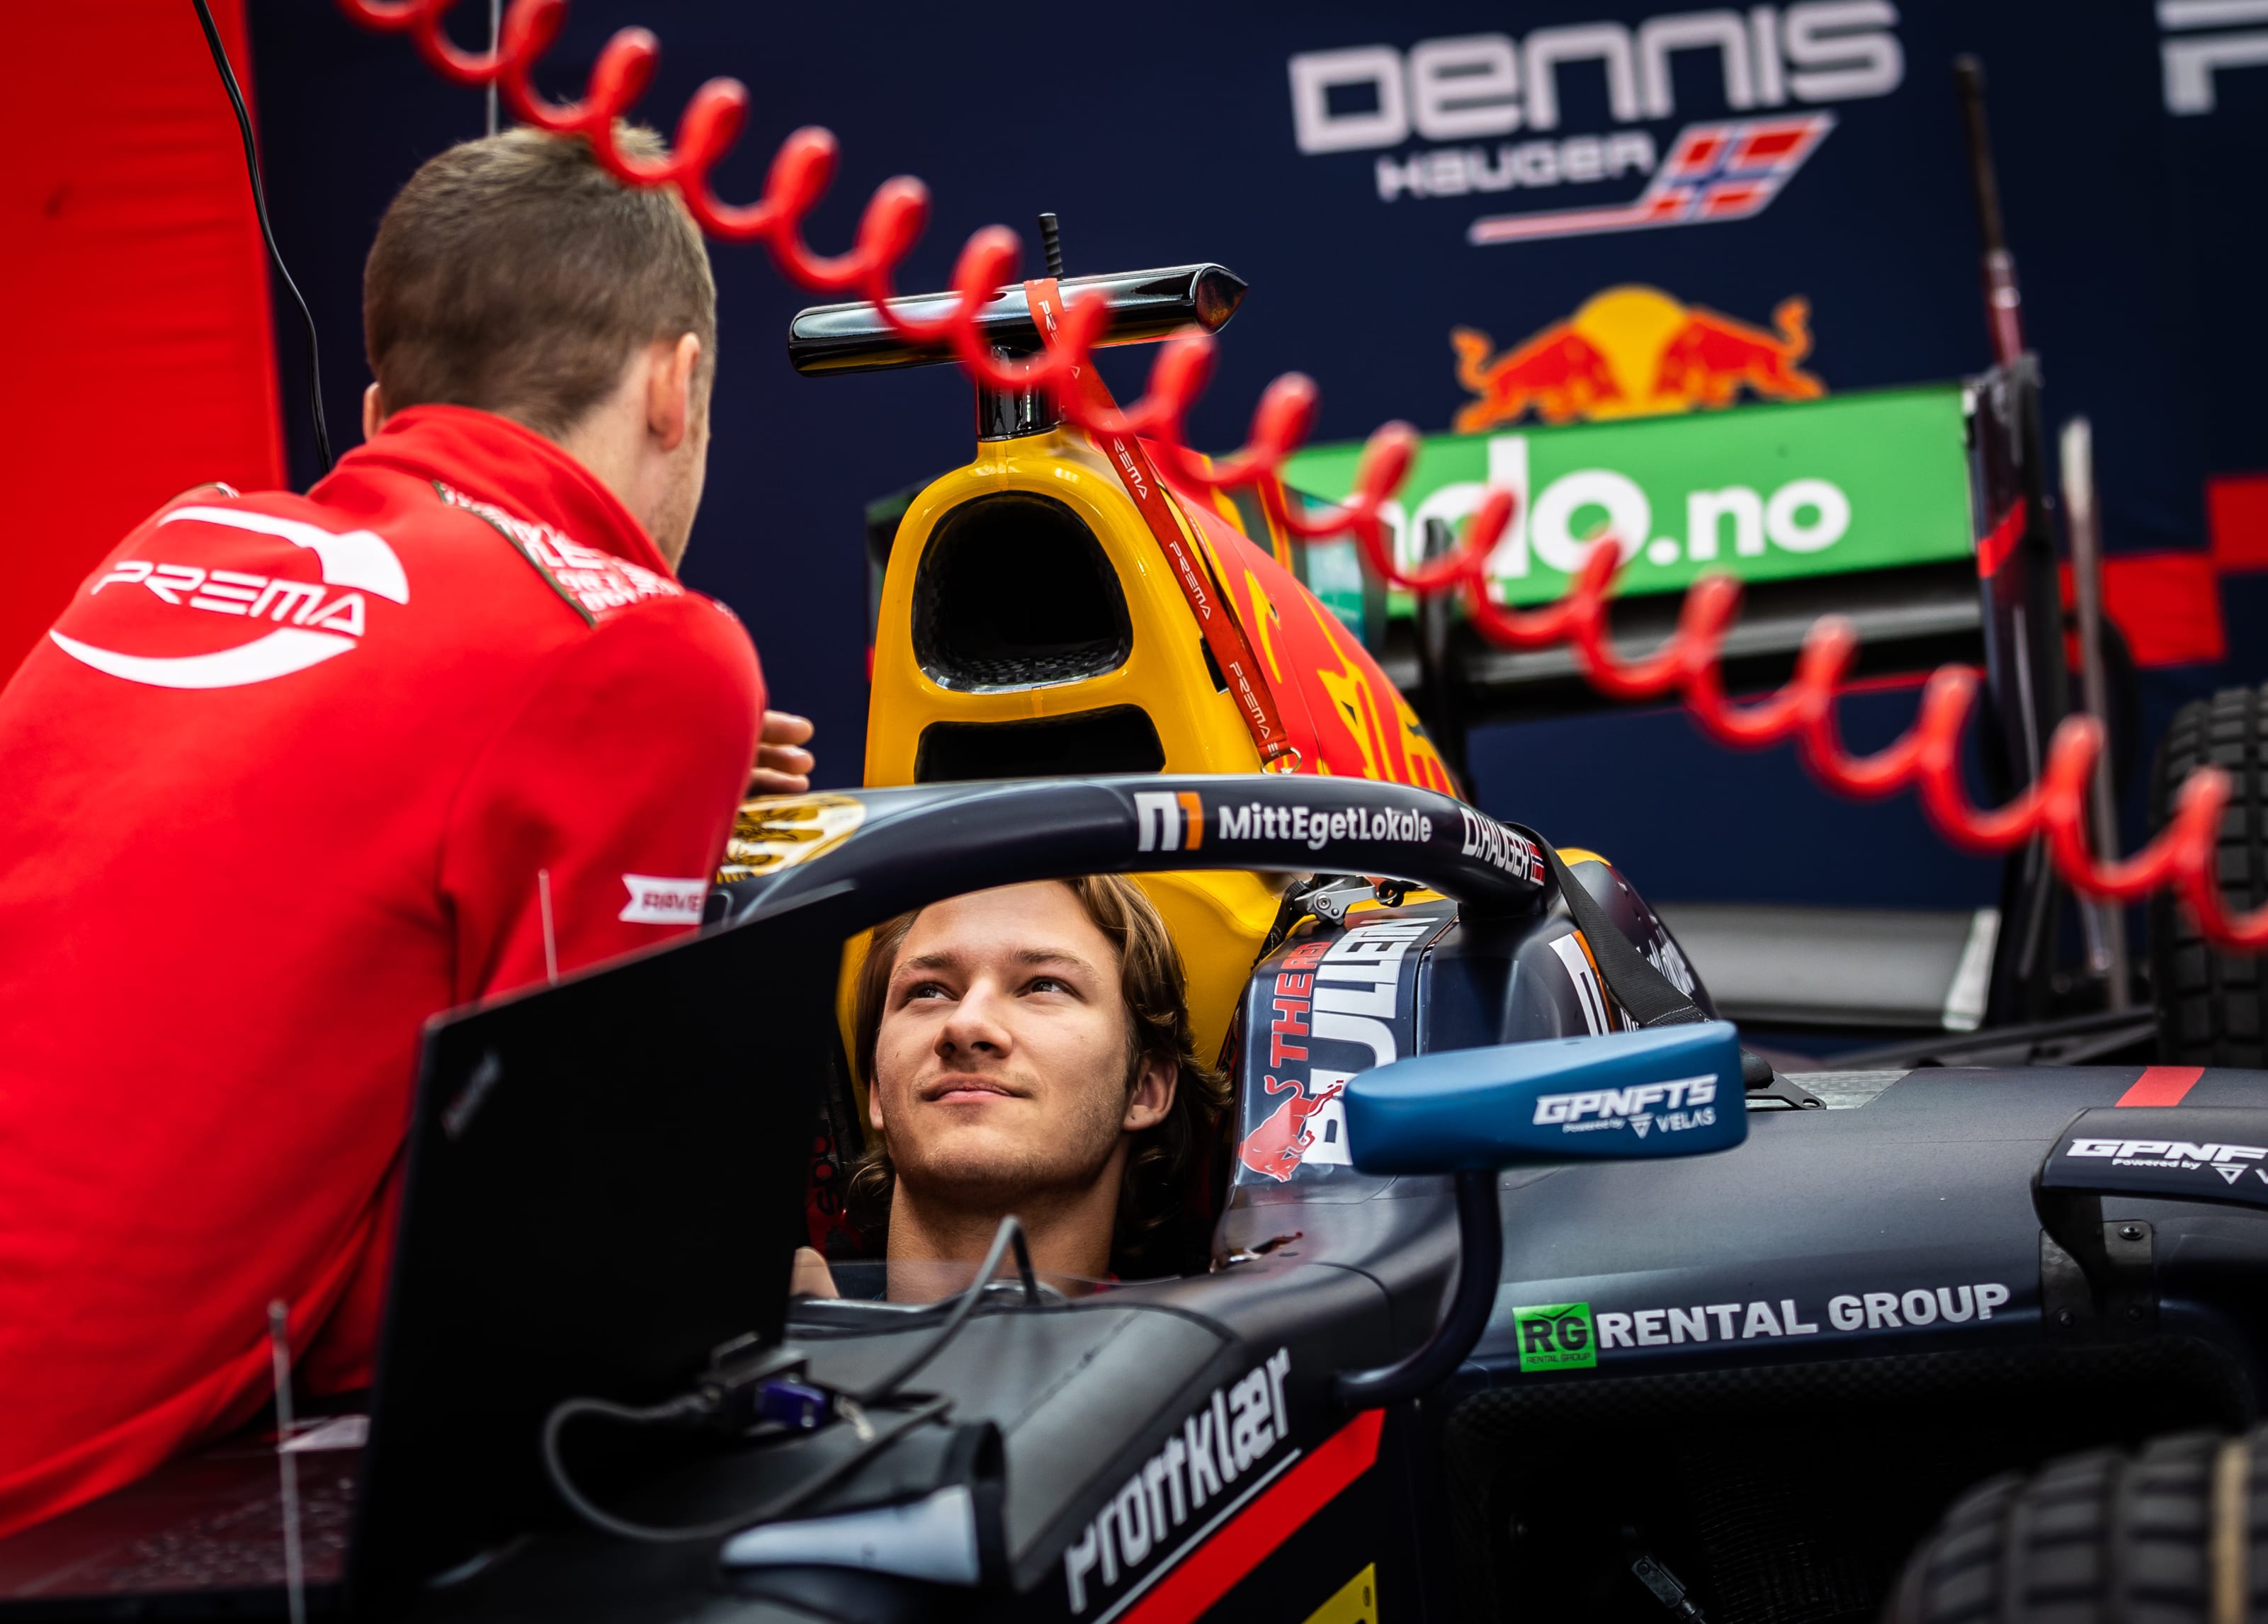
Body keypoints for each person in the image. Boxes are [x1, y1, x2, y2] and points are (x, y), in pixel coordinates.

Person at [0, 126, 810, 1537]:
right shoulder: (643, 647)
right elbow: (508, 1299)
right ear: (675, 386)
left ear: (381, 410)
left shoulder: (169, 546)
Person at [820, 877, 1228, 1298]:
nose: (966, 1024)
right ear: (877, 1089)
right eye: (929, 991)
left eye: (1044, 986)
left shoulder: (1243, 1341)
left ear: (1144, 1089)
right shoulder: (780, 1323)